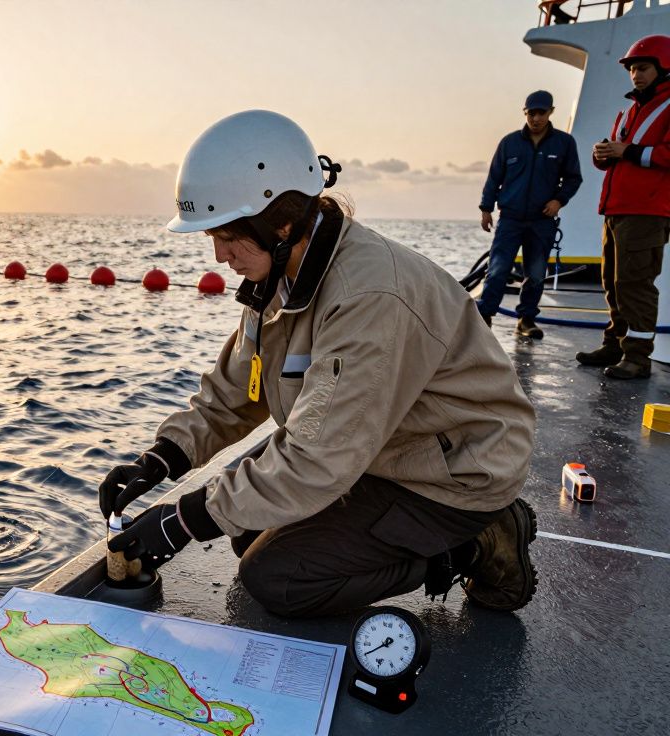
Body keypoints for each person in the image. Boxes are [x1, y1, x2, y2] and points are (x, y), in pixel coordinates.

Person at [99, 110, 539, 618]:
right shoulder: (280, 278)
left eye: (228, 236)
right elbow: (239, 391)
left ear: (280, 219)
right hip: (376, 444)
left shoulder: (368, 295)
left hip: (452, 470)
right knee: (246, 526)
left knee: (277, 578)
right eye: (211, 239)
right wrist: (161, 458)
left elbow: (316, 458)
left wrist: (183, 521)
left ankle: (474, 543)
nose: (220, 257)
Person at [578, 34, 670, 380]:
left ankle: (637, 358)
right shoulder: (629, 110)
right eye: (632, 69)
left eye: (643, 68)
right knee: (613, 284)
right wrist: (602, 155)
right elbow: (621, 155)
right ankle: (614, 344)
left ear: (663, 68)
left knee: (636, 284)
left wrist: (626, 152)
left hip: (647, 212)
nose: (636, 75)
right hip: (616, 209)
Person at [477, 90, 582, 339]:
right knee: (498, 269)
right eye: (531, 113)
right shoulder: (509, 143)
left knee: (535, 273)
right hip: (510, 219)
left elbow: (573, 178)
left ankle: (526, 320)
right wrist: (485, 208)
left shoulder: (564, 143)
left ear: (550, 112)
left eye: (541, 113)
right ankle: (484, 318)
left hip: (542, 221)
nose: (535, 118)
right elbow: (494, 177)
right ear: (525, 113)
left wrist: (559, 200)